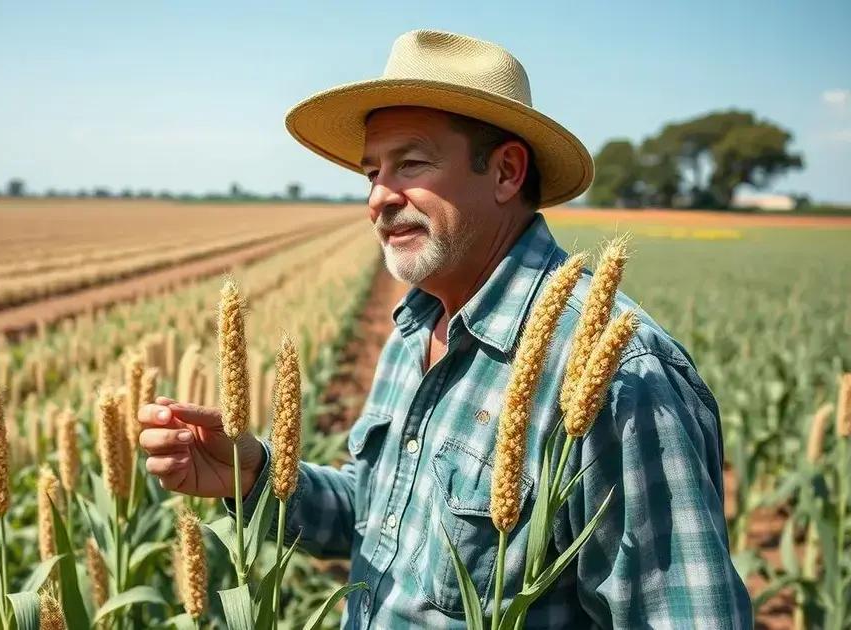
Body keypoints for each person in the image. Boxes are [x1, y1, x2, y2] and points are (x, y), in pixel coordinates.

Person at [137, 29, 752, 629]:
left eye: (410, 163)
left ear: (507, 172)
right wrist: (255, 474)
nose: (378, 196)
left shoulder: (614, 374)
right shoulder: (417, 325)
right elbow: (385, 511)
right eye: (371, 171)